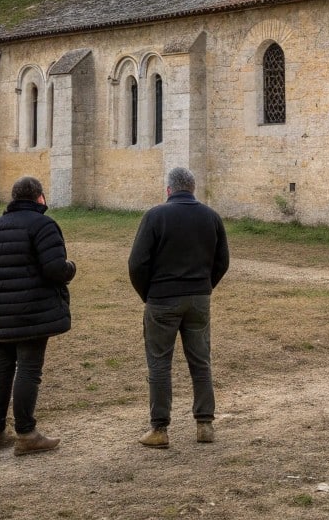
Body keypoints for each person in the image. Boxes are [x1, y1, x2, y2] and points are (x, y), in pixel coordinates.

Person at [0, 176, 77, 457]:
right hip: (33, 313)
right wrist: (71, 268)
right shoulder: (44, 225)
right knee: (29, 369)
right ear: (39, 197)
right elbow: (55, 269)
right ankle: (27, 434)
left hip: (0, 314)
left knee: (3, 368)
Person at [127, 166, 230, 447]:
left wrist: (147, 293)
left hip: (162, 299)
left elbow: (137, 263)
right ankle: (205, 424)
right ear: (193, 188)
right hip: (198, 298)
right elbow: (223, 261)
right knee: (201, 361)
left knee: (159, 364)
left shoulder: (155, 216)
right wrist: (204, 287)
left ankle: (159, 429)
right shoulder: (211, 217)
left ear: (168, 190)